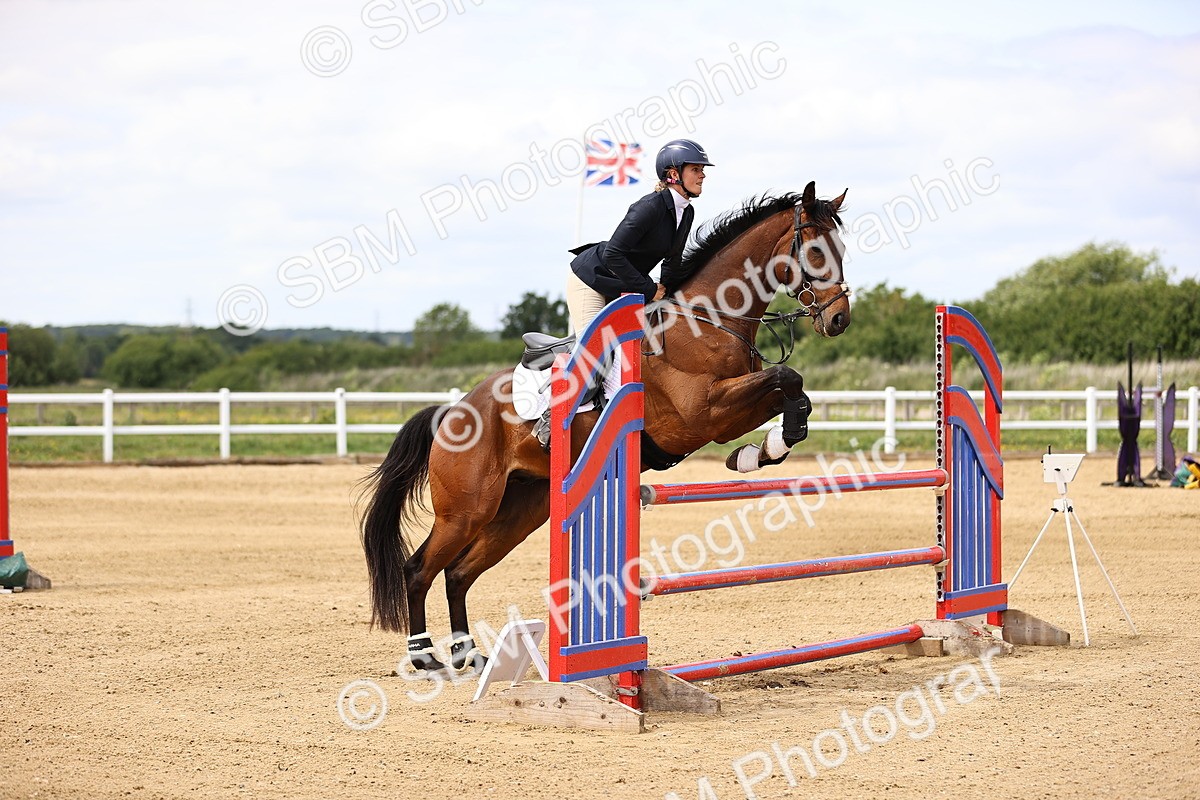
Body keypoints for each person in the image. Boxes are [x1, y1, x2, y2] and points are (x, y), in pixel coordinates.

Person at [533, 138, 714, 449]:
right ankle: (551, 416)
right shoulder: (649, 207)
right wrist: (648, 289)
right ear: (673, 175)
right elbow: (615, 253)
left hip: (626, 286)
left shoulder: (686, 213)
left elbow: (671, 264)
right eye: (696, 169)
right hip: (592, 279)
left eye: (702, 170)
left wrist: (676, 295)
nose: (702, 175)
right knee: (597, 351)